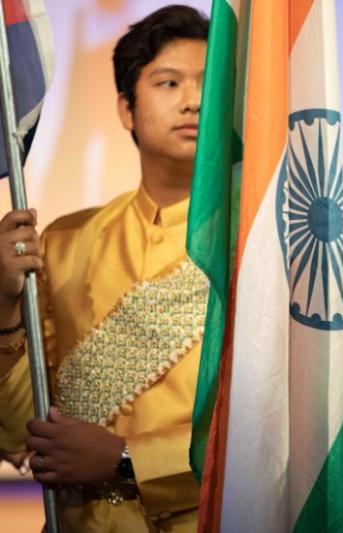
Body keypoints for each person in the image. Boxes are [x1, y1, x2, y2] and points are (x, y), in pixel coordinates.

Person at [0, 6, 208, 532]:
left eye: (210, 83)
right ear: (126, 109)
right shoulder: (66, 242)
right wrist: (3, 307)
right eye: (169, 82)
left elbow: (275, 437)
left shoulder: (257, 249)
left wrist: (128, 460)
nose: (194, 101)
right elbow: (18, 433)